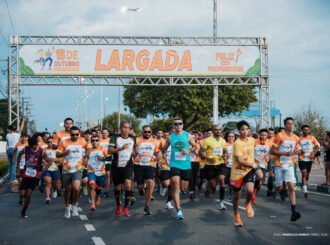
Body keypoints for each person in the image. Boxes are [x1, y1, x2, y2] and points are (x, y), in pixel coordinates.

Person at [162, 117, 196, 220]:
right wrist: (164, 153)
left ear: (182, 125)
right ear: (173, 126)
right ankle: (178, 210)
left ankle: (175, 193)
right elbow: (164, 148)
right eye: (176, 124)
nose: (178, 125)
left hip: (186, 165)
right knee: (175, 184)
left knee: (183, 188)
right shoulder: (170, 137)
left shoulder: (188, 136)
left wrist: (189, 151)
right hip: (174, 164)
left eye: (180, 123)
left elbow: (195, 146)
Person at [270, 117, 301, 222]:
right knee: (278, 187)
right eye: (288, 124)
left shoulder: (296, 138)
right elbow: (272, 150)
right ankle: (278, 189)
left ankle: (293, 212)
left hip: (290, 165)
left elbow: (297, 149)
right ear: (285, 125)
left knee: (291, 186)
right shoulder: (279, 136)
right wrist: (284, 153)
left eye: (292, 124)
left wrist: (299, 151)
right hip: (279, 165)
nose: (291, 125)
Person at [16, 136, 51, 218]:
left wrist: (42, 172)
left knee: (28, 194)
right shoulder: (26, 149)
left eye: (33, 146)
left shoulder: (42, 151)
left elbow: (49, 161)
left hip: (35, 175)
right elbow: (19, 156)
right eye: (30, 147)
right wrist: (18, 169)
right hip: (26, 174)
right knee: (22, 193)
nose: (32, 148)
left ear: (36, 144)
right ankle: (21, 198)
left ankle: (24, 210)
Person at [56, 126, 87, 219]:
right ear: (70, 134)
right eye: (73, 134)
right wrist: (65, 153)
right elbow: (57, 154)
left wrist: (86, 158)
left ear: (79, 134)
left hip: (78, 168)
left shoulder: (82, 141)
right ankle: (67, 207)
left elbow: (88, 149)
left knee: (76, 188)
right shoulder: (64, 142)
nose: (75, 136)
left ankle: (74, 205)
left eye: (77, 134)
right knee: (68, 190)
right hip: (67, 169)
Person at [230, 121, 257, 227]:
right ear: (239, 131)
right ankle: (236, 216)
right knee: (236, 197)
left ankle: (247, 202)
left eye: (247, 129)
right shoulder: (237, 143)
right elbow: (240, 160)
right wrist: (253, 164)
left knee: (250, 190)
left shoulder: (252, 140)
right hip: (237, 173)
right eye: (242, 129)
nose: (245, 131)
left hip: (248, 171)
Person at [108, 122, 136, 217]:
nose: (127, 129)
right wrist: (120, 148)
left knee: (128, 186)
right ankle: (118, 205)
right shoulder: (115, 138)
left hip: (128, 164)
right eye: (124, 128)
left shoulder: (133, 138)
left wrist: (136, 155)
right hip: (117, 165)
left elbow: (133, 150)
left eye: (128, 128)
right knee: (117, 188)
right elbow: (109, 151)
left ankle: (126, 207)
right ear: (120, 128)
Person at [134, 125, 161, 215]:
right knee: (140, 186)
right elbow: (133, 150)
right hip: (139, 165)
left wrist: (158, 158)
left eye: (149, 132)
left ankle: (147, 206)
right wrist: (136, 154)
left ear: (151, 132)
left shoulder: (154, 141)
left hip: (150, 165)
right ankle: (141, 190)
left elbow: (157, 152)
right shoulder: (137, 140)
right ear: (142, 132)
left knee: (150, 183)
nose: (147, 133)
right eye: (145, 132)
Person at [200, 125, 227, 210]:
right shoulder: (207, 141)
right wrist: (209, 158)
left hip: (220, 164)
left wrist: (225, 155)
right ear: (212, 131)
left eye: (219, 130)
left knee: (222, 180)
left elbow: (225, 151)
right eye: (216, 130)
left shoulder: (223, 140)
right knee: (213, 184)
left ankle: (221, 202)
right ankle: (209, 188)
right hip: (210, 165)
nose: (218, 131)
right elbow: (201, 152)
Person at [86, 135, 108, 211]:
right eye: (93, 140)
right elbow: (85, 158)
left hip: (101, 172)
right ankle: (92, 204)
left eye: (96, 140)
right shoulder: (89, 150)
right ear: (91, 142)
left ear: (99, 141)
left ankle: (98, 195)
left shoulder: (104, 149)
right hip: (91, 171)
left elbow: (109, 159)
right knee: (92, 186)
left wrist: (103, 158)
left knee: (98, 188)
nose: (94, 142)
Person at [298, 125, 319, 198]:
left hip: (309, 159)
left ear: (309, 131)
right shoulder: (299, 138)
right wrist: (300, 150)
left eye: (307, 130)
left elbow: (318, 146)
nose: (306, 131)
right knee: (304, 172)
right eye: (304, 130)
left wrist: (313, 154)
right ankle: (305, 190)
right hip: (301, 158)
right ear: (302, 130)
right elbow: (296, 148)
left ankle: (304, 184)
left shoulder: (312, 138)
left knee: (307, 175)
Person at [252, 129, 272, 204]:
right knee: (260, 176)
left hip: (264, 164)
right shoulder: (254, 142)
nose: (263, 136)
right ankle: (251, 193)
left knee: (260, 182)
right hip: (254, 164)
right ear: (259, 135)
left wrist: (269, 157)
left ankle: (253, 194)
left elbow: (271, 154)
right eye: (262, 135)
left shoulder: (269, 143)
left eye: (265, 135)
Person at [6, 118, 25, 184]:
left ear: (10, 130)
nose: (8, 130)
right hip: (14, 150)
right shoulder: (17, 135)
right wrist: (22, 121)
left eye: (8, 129)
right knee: (14, 165)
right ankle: (13, 179)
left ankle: (11, 178)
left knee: (11, 165)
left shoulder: (7, 135)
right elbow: (21, 128)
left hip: (8, 150)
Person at [159, 129, 174, 209]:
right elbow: (158, 151)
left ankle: (168, 201)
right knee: (166, 183)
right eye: (172, 133)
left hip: (176, 165)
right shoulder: (163, 142)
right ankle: (163, 186)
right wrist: (162, 155)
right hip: (166, 165)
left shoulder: (181, 143)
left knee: (172, 184)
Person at [43, 136, 60, 204]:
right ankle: (47, 198)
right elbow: (41, 158)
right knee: (47, 182)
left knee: (54, 184)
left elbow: (61, 159)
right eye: (48, 142)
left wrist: (55, 159)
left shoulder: (57, 150)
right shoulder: (44, 150)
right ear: (46, 143)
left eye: (51, 142)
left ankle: (54, 189)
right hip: (46, 169)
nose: (50, 143)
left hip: (55, 169)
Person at [13, 133, 29, 205]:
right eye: (22, 137)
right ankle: (21, 197)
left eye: (25, 137)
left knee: (26, 182)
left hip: (28, 165)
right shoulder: (17, 144)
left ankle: (24, 194)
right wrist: (13, 159)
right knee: (20, 181)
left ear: (27, 138)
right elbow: (14, 152)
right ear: (20, 138)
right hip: (20, 165)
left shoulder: (29, 144)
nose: (23, 138)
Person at [99, 128, 112, 198]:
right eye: (103, 133)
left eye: (106, 133)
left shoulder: (110, 140)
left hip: (108, 158)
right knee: (100, 174)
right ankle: (98, 188)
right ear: (101, 134)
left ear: (108, 133)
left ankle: (106, 191)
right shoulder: (98, 140)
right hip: (100, 158)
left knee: (108, 174)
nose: (104, 134)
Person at [189, 131, 201, 200]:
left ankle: (193, 190)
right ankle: (191, 191)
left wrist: (195, 151)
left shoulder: (198, 145)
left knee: (195, 177)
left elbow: (200, 154)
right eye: (192, 137)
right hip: (189, 162)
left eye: (194, 137)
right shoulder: (187, 144)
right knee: (190, 177)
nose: (193, 138)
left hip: (196, 162)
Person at [224, 131, 235, 202]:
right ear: (227, 137)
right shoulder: (224, 144)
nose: (231, 138)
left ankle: (231, 195)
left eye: (232, 136)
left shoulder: (237, 145)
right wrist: (224, 155)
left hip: (234, 166)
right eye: (229, 136)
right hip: (225, 165)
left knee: (232, 181)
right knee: (225, 180)